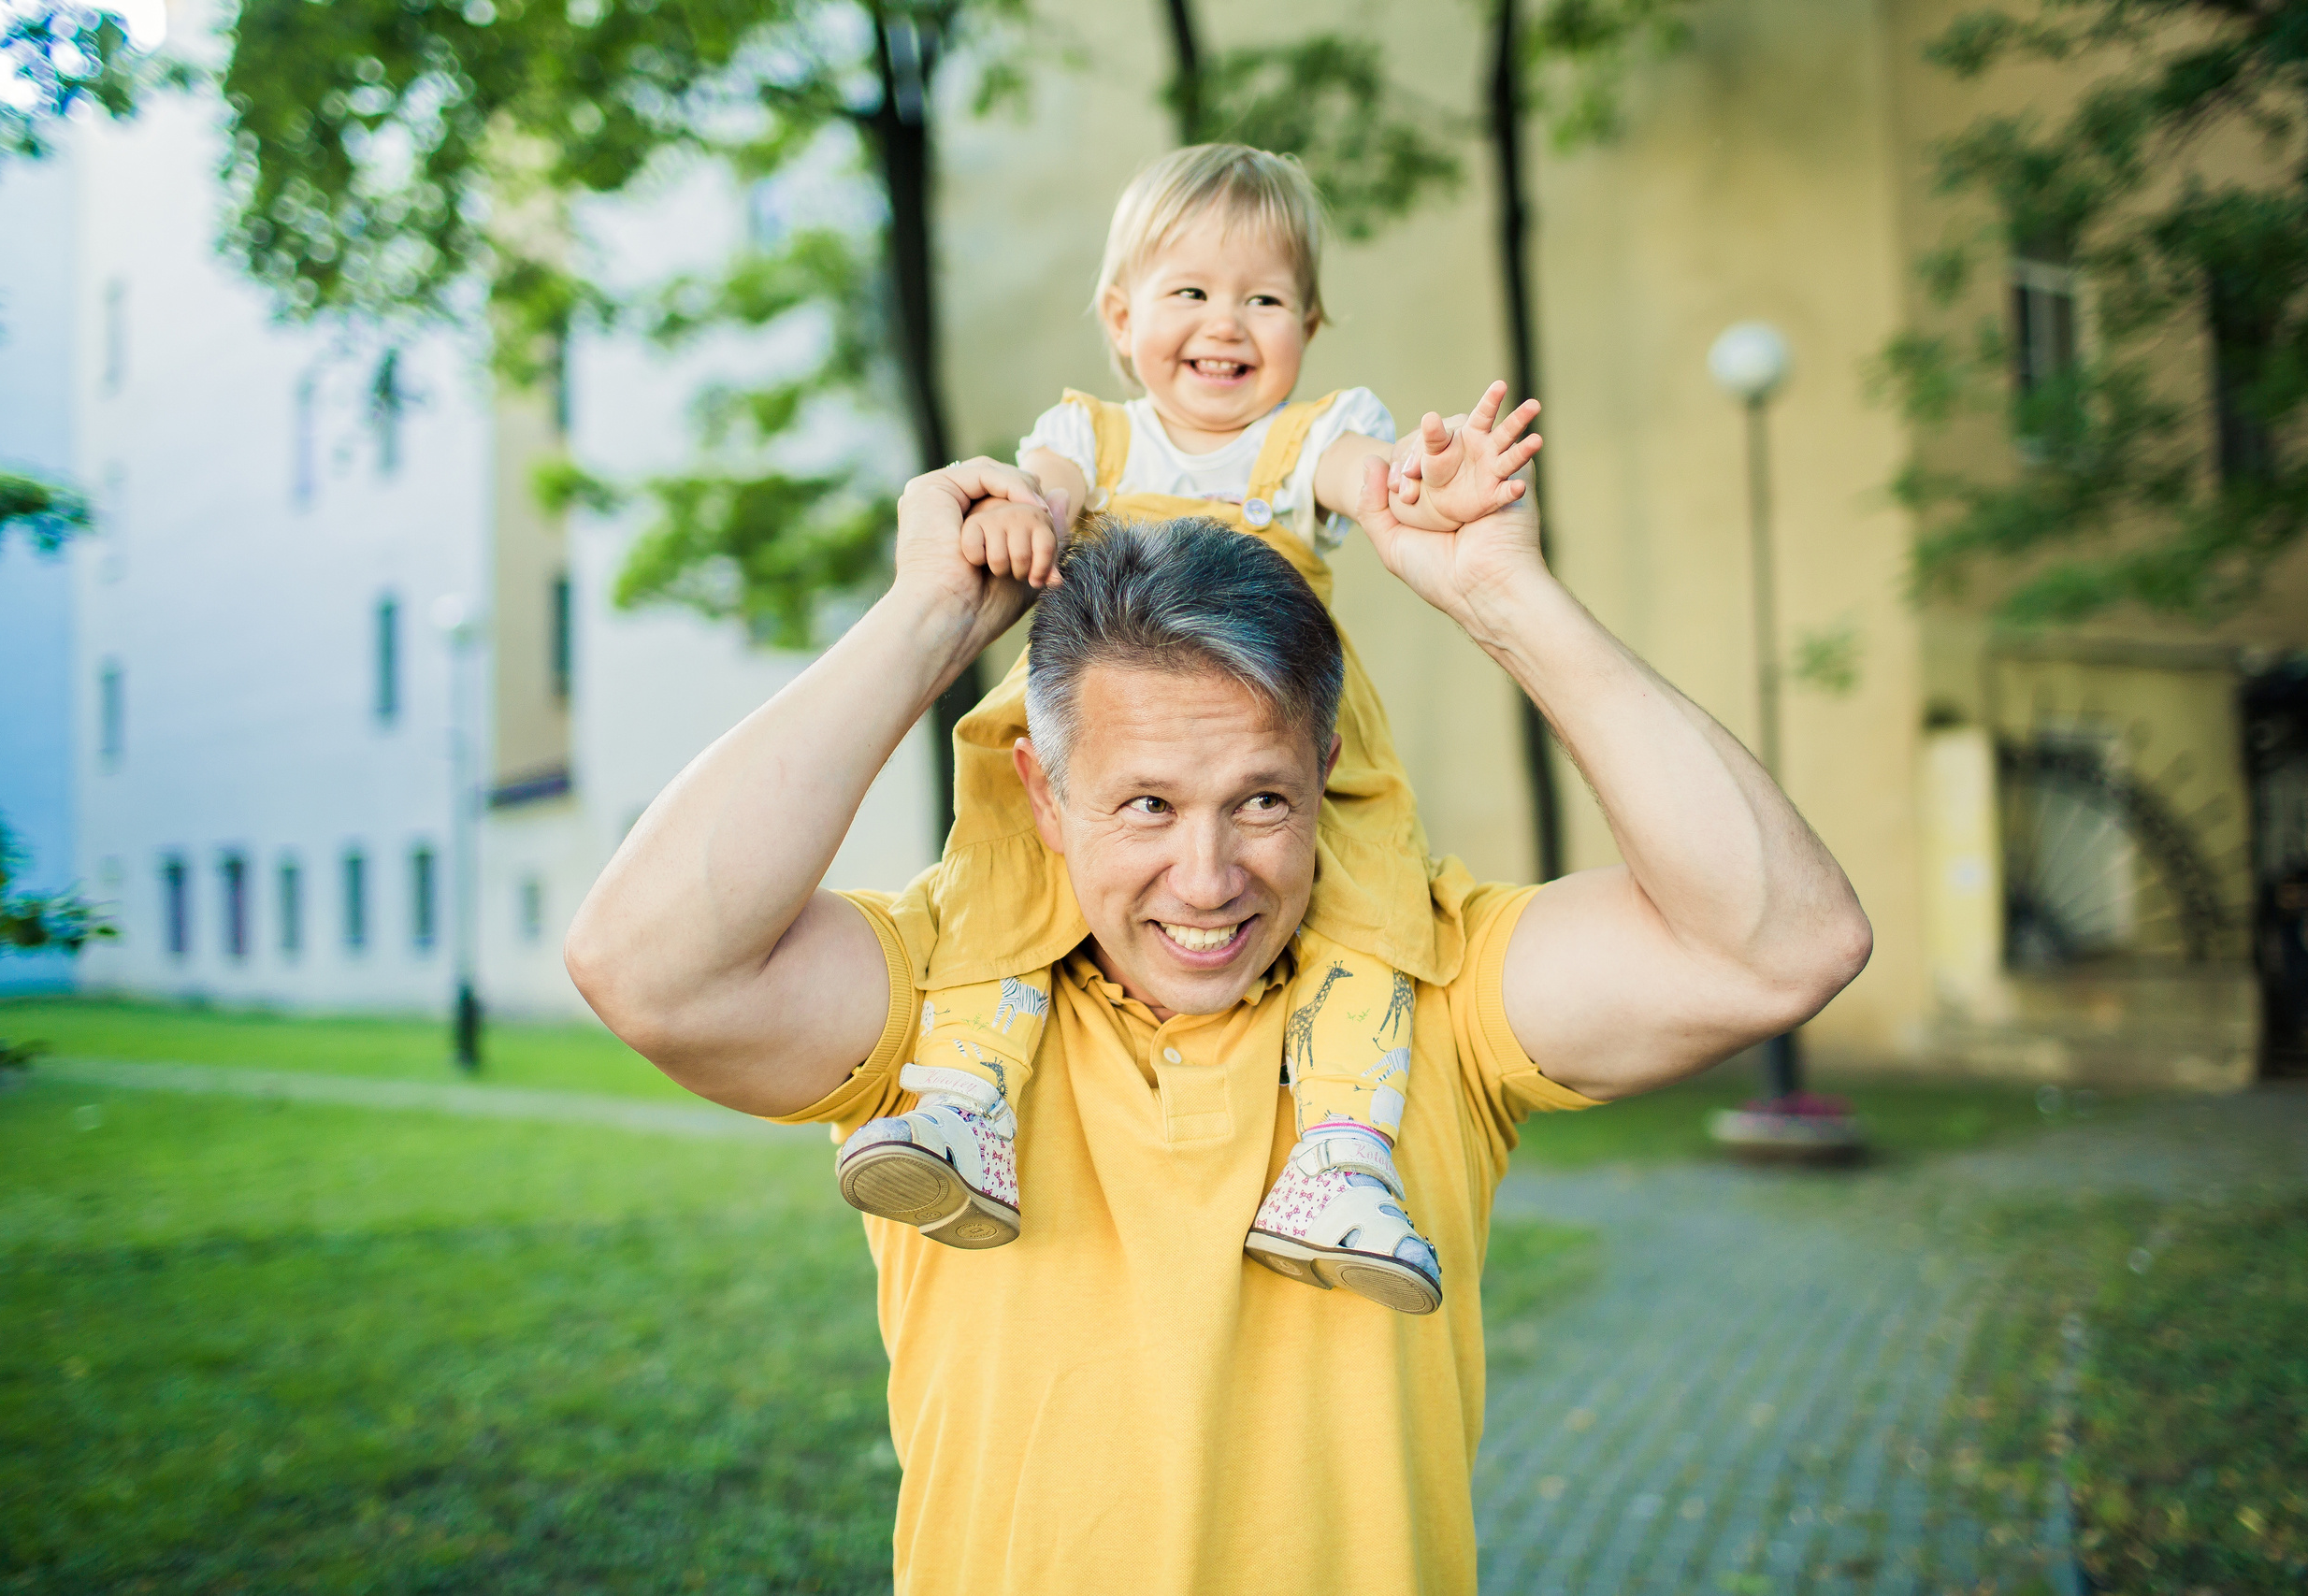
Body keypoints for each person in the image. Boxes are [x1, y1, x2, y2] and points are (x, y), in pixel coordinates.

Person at [566, 433, 1873, 1595]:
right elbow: (646, 964)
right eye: (1144, 804)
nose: (1207, 879)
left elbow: (1783, 943)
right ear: (1041, 788)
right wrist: (926, 617)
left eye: (1260, 799)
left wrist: (1503, 597)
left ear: (1327, 774)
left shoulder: (1437, 987)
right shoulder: (941, 1001)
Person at [831, 143, 1536, 1315]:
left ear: (1308, 322)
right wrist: (1010, 518)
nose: (1226, 323)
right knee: (1004, 869)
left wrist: (1421, 483)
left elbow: (1371, 481)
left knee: (1370, 899)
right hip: (1101, 704)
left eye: (1264, 297)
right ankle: (964, 1099)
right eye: (1190, 293)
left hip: (1289, 719)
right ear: (1120, 317)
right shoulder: (1090, 437)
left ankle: (1341, 1154)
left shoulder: (1312, 435)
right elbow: (1044, 496)